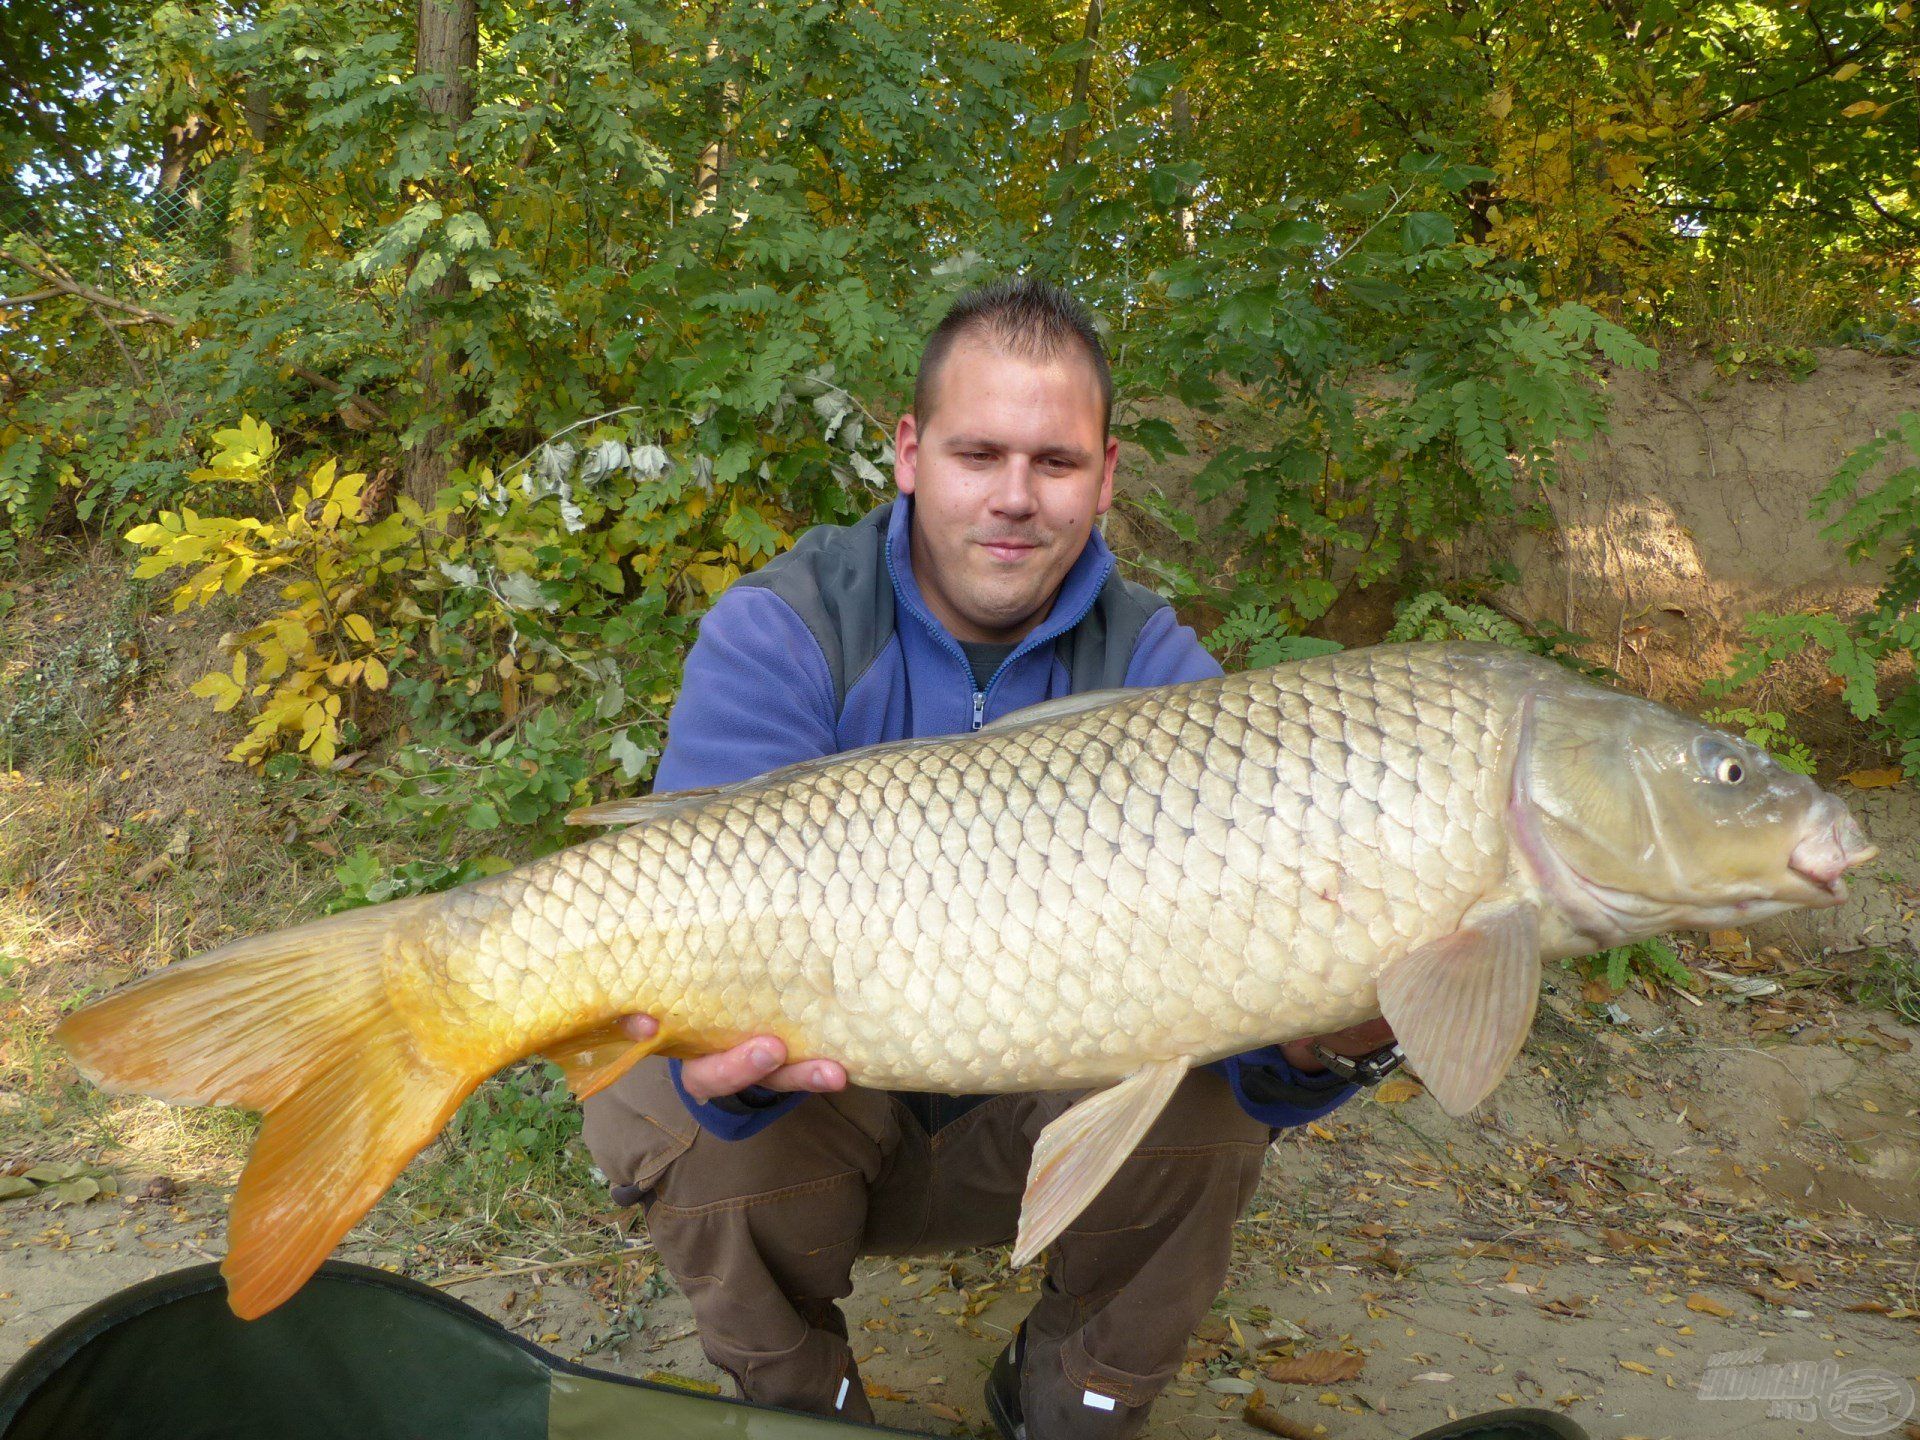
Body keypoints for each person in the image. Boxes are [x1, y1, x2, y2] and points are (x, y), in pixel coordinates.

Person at [581, 277, 1401, 1440]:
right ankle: (805, 1410)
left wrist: (1339, 1039)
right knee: (652, 1093)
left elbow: (1269, 1060)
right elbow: (692, 904)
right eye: (979, 454)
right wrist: (732, 1061)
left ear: (1108, 475)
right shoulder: (787, 630)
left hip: (1026, 1116)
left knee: (1211, 1099)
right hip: (824, 1109)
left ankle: (1069, 1403)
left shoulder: (1167, 680)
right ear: (911, 453)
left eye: (1056, 464)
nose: (1015, 499)